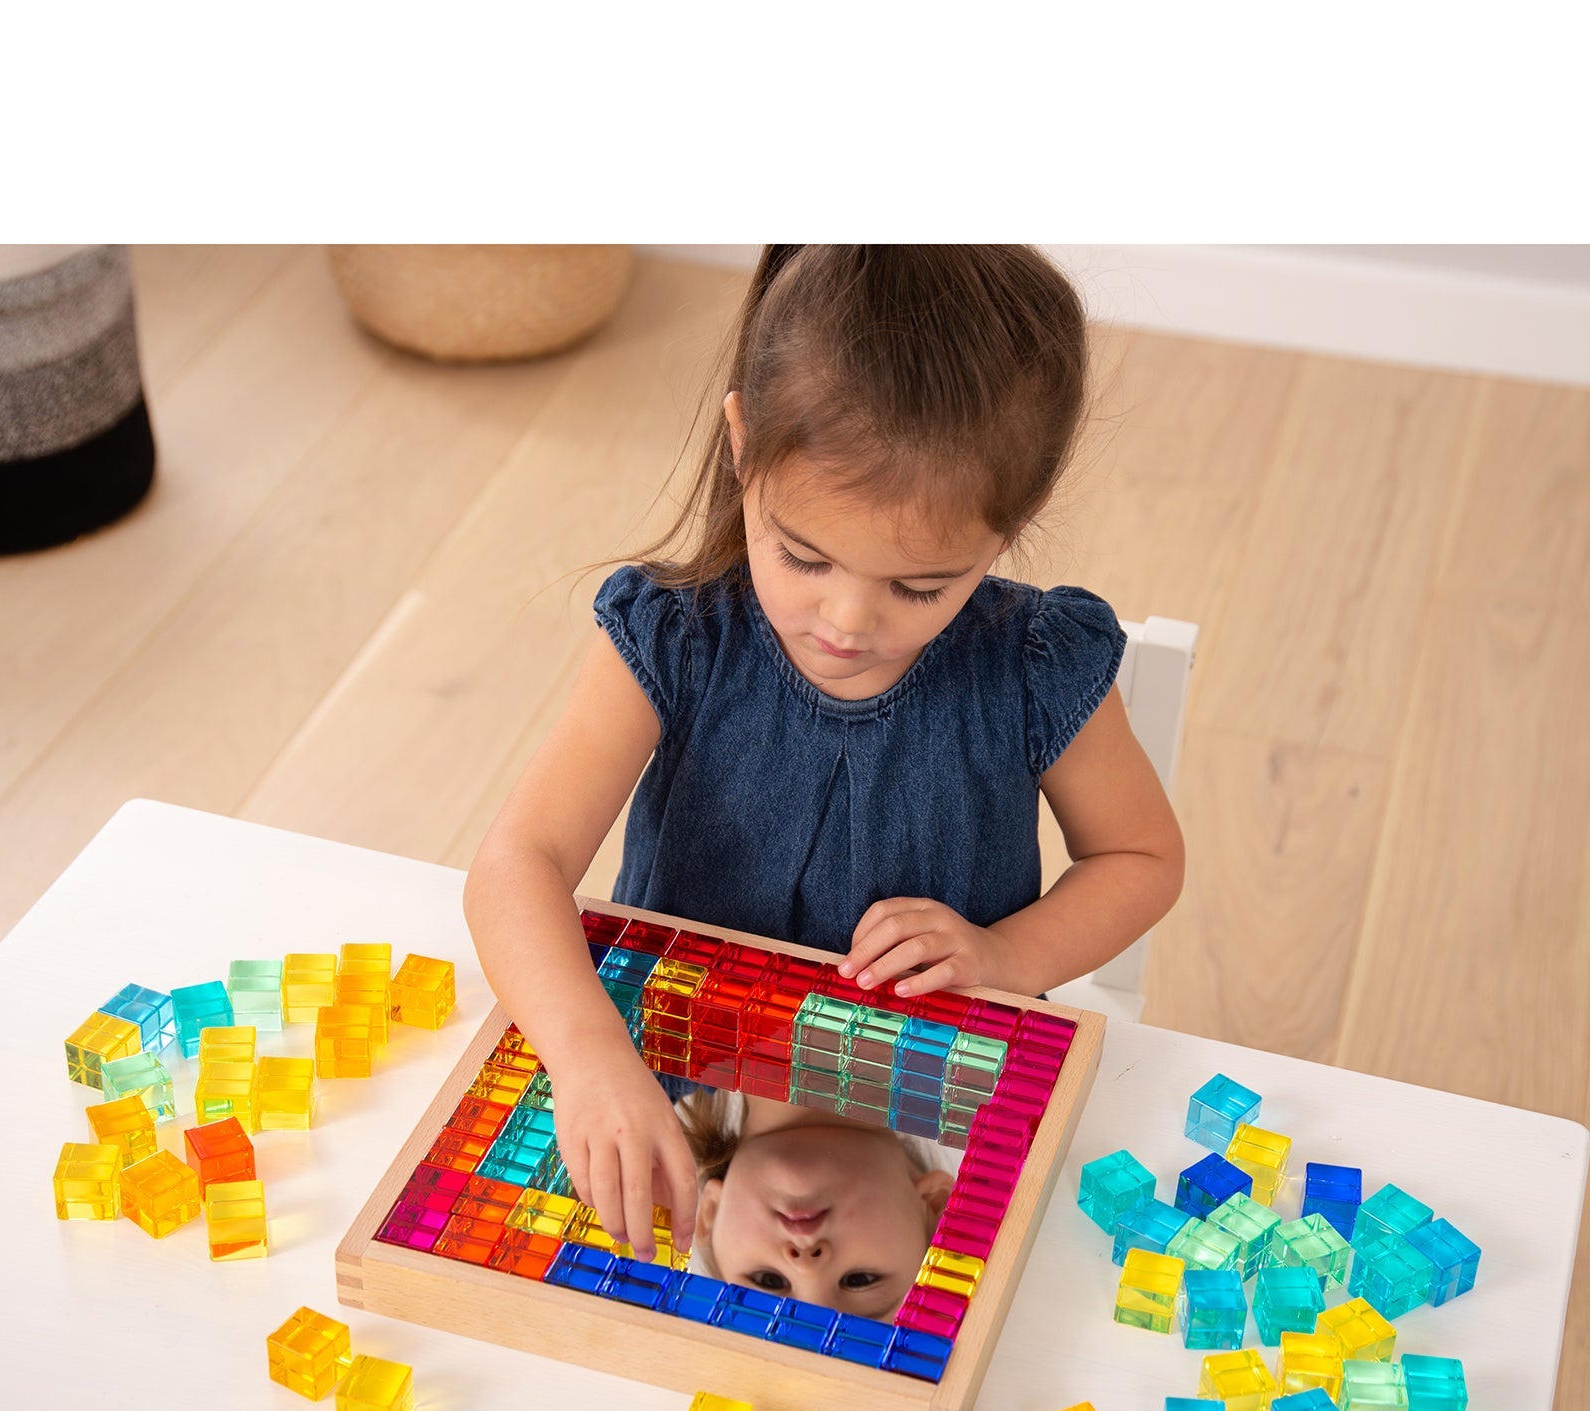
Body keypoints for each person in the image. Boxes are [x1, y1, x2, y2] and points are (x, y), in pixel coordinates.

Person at [465, 245, 1185, 1265]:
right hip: (669, 1051)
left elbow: (1143, 858)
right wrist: (586, 1055)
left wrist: (1009, 957)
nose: (847, 621)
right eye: (803, 556)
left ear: (1007, 529)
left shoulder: (1030, 664)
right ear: (741, 443)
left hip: (926, 1072)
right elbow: (514, 865)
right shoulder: (678, 634)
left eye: (922, 587)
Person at [676, 1088, 953, 1323]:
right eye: (859, 1279)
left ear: (710, 1213)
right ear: (934, 1205)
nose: (807, 1265)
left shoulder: (643, 1072)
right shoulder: (975, 1047)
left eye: (768, 1280)